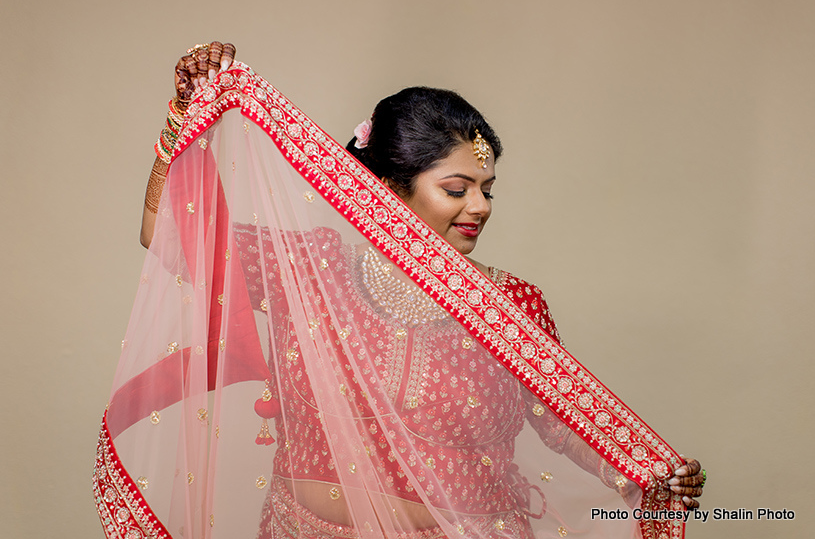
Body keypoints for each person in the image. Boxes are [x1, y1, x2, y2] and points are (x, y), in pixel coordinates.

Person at [96, 42, 704, 539]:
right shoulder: (310, 269)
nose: (482, 207)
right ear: (390, 188)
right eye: (458, 188)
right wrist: (183, 118)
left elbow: (564, 423)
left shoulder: (510, 305)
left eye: (488, 188)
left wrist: (645, 476)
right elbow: (171, 236)